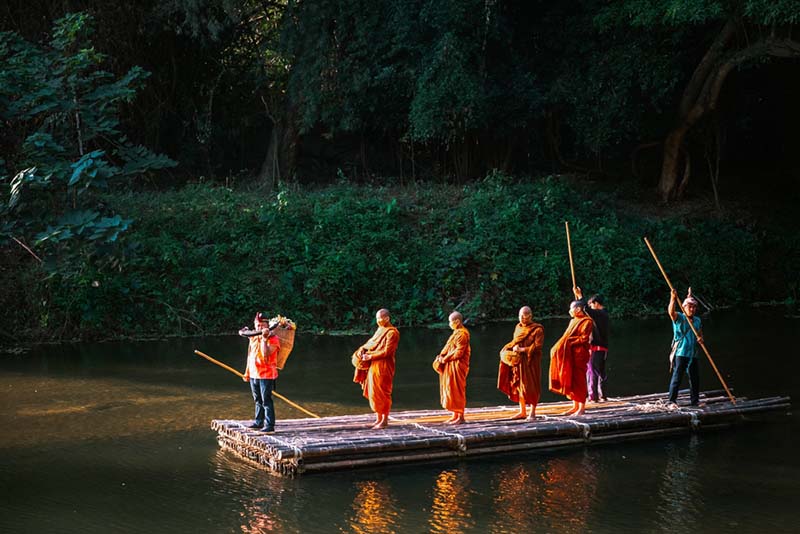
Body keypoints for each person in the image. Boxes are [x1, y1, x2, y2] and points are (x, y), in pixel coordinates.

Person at [352, 309, 400, 429]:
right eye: (377, 318)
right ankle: (378, 418)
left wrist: (370, 356)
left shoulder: (392, 333)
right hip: (373, 365)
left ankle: (384, 420)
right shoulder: (380, 330)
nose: (378, 321)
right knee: (374, 392)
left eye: (380, 318)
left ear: (387, 318)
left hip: (384, 366)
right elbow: (371, 343)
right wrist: (363, 350)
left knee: (383, 392)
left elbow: (387, 352)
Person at [497, 306, 544, 421]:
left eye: (525, 315)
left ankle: (532, 413)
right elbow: (515, 342)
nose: (522, 318)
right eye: (520, 315)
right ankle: (522, 411)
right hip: (518, 361)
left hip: (530, 362)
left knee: (531, 387)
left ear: (530, 316)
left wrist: (522, 350)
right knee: (518, 385)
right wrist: (507, 348)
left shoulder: (538, 329)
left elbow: (538, 347)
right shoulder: (518, 327)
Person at [549, 300, 593, 416]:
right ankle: (575, 406)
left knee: (579, 380)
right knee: (571, 379)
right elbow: (566, 337)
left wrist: (568, 342)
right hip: (569, 355)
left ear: (578, 309)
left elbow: (583, 338)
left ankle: (582, 407)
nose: (570, 311)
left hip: (579, 355)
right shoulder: (573, 321)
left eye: (571, 308)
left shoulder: (587, 321)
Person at [240, 312, 280, 432]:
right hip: (254, 374)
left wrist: (264, 339)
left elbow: (265, 354)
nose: (259, 328)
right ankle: (258, 422)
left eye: (262, 325)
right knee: (257, 400)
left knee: (266, 400)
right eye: (258, 325)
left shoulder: (273, 339)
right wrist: (247, 372)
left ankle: (269, 425)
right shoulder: (253, 337)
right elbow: (250, 356)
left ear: (267, 325)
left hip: (266, 375)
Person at [433, 311, 471, 425]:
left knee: (457, 390)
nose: (449, 324)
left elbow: (459, 352)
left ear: (457, 321)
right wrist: (441, 356)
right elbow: (449, 348)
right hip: (451, 365)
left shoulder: (462, 334)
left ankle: (461, 416)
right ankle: (454, 414)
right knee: (450, 389)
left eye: (451, 322)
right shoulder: (456, 333)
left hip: (458, 366)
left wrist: (445, 359)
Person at [667, 288, 703, 406]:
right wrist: (673, 299)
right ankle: (671, 401)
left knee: (695, 378)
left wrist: (700, 339)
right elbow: (671, 312)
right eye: (689, 307)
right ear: (684, 307)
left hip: (693, 353)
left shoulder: (697, 320)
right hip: (681, 352)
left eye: (694, 307)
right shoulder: (680, 318)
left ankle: (695, 401)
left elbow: (700, 335)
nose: (692, 309)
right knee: (677, 377)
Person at [573, 287, 610, 402]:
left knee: (592, 371)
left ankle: (593, 396)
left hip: (596, 347)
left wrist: (580, 297)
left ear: (596, 304)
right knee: (601, 371)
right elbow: (587, 312)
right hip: (603, 348)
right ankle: (602, 395)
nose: (591, 307)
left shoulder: (599, 314)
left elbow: (587, 310)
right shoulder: (604, 314)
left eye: (592, 305)